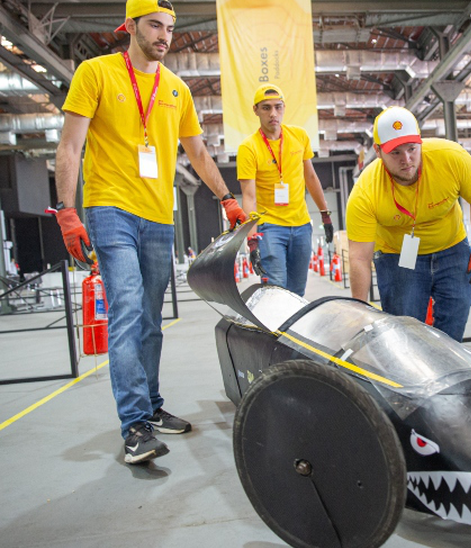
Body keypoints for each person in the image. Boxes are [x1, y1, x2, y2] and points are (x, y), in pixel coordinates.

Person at [53, 0, 247, 465]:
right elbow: (70, 144)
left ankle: (152, 404)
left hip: (159, 217)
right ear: (130, 27)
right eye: (155, 25)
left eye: (170, 28)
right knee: (124, 311)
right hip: (109, 210)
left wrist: (226, 198)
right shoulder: (96, 73)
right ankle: (134, 425)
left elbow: (197, 152)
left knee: (150, 321)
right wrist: (66, 210)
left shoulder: (176, 88)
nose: (164, 35)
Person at [346, 106, 471, 342]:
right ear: (378, 150)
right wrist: (359, 310)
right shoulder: (365, 191)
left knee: (455, 319)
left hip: (452, 248)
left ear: (420, 142)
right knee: (404, 332)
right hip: (398, 257)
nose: (407, 160)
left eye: (412, 149)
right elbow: (359, 258)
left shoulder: (451, 157)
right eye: (395, 153)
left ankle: (446, 367)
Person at [237, 84, 332, 297]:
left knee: (297, 292)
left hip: (301, 226)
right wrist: (251, 239)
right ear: (255, 110)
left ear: (284, 108)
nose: (273, 114)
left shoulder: (299, 136)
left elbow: (311, 177)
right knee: (276, 290)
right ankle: (274, 331)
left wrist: (325, 214)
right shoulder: (248, 148)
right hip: (270, 227)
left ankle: (290, 331)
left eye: (278, 107)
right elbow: (249, 197)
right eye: (266, 108)